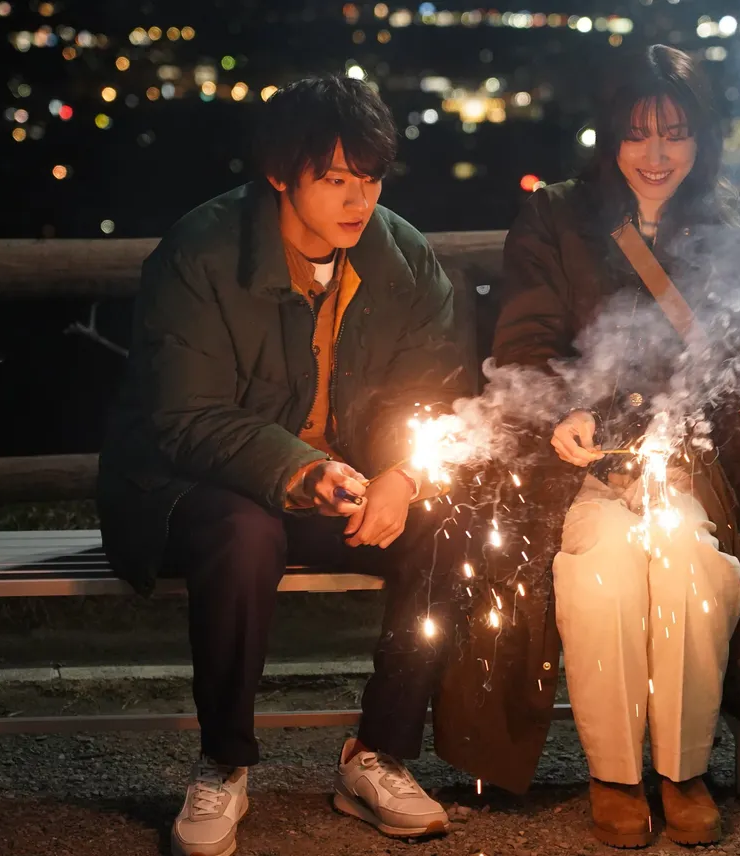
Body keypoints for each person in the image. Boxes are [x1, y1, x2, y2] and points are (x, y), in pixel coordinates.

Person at [97, 75, 471, 856]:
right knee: (244, 531)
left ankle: (378, 754)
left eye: (368, 178)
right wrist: (301, 469)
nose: (355, 200)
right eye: (333, 178)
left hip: (343, 488)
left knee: (445, 523)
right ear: (280, 173)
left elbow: (435, 388)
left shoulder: (402, 257)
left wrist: (402, 476)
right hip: (186, 493)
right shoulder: (201, 252)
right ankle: (224, 762)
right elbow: (182, 416)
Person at [483, 45, 740, 847]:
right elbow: (522, 347)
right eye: (637, 135)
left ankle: (682, 769)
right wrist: (557, 415)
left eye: (676, 134)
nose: (656, 157)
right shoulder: (557, 216)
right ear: (608, 136)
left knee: (694, 566)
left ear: (704, 139)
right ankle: (615, 773)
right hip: (582, 468)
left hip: (696, 464)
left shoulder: (739, 229)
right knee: (604, 572)